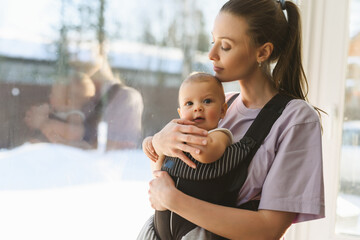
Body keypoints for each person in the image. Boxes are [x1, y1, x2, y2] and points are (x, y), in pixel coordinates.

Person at [139, 0, 325, 239]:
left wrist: (173, 200)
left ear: (263, 52)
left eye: (225, 46)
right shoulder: (218, 105)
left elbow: (269, 229)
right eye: (212, 41)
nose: (211, 54)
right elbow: (175, 168)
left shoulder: (296, 119)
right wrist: (157, 142)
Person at [24, 72, 96, 144]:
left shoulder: (75, 115)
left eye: (53, 94)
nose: (50, 96)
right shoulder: (58, 112)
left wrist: (44, 123)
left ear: (68, 101)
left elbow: (75, 132)